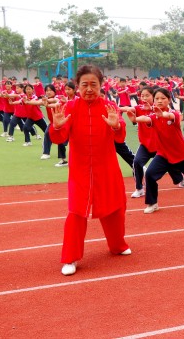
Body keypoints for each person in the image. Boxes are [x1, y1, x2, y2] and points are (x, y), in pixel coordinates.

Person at [49, 64, 131, 276]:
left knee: (114, 207)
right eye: (84, 85)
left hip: (107, 167)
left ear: (101, 85)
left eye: (93, 84)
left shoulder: (109, 106)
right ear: (77, 86)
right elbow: (60, 137)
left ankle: (117, 245)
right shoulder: (70, 107)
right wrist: (56, 126)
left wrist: (115, 125)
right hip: (80, 170)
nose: (89, 89)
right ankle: (70, 258)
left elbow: (120, 136)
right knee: (77, 212)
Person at [123, 86, 184, 198]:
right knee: (137, 162)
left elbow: (165, 115)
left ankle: (181, 180)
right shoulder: (139, 108)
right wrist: (117, 109)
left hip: (160, 145)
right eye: (142, 96)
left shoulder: (160, 109)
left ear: (153, 97)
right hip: (146, 144)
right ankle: (139, 188)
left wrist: (151, 109)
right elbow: (128, 109)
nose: (144, 98)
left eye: (147, 95)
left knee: (170, 163)